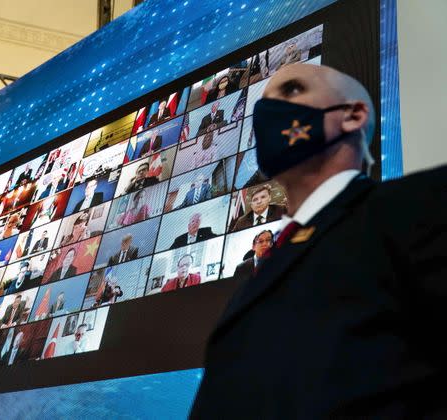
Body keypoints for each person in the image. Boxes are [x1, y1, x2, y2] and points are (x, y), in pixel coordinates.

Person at [191, 63, 447, 418]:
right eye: (262, 103)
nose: (268, 113)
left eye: (293, 90)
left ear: (353, 115)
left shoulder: (421, 205)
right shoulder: (250, 287)